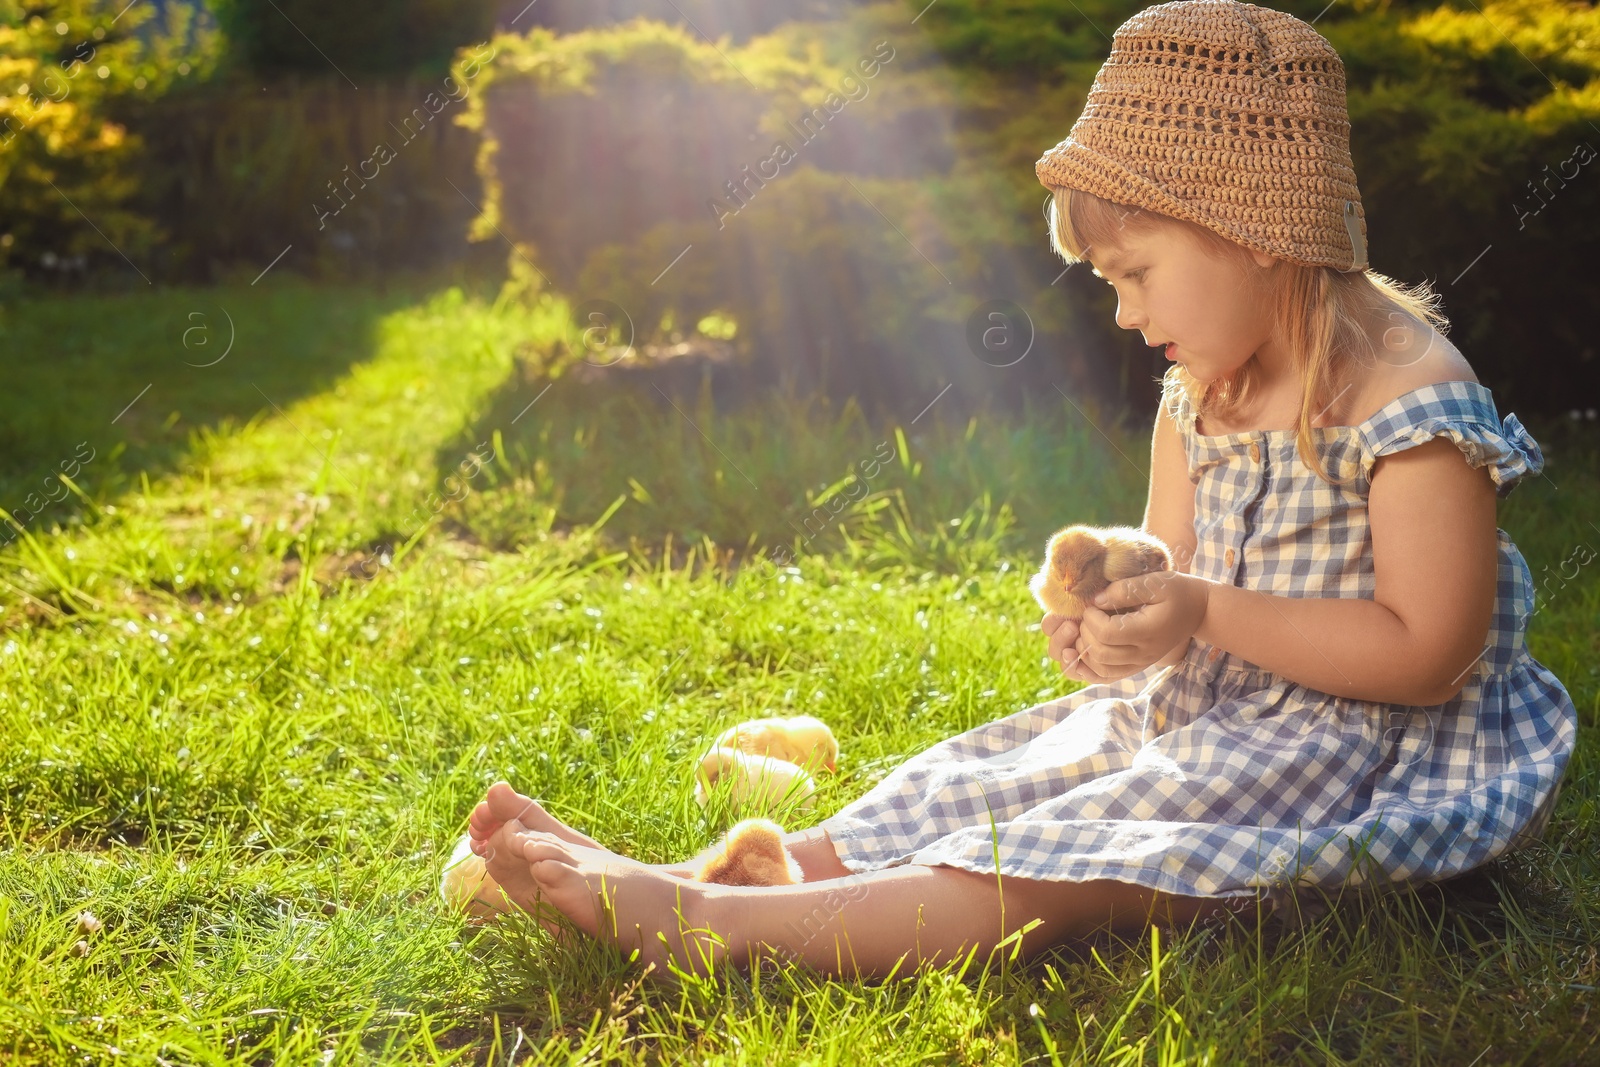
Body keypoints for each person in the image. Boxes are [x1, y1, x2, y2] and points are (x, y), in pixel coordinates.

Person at [462, 0, 1578, 980]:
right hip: (1197, 716)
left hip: (1350, 756)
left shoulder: (1404, 400)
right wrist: (1124, 635)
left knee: (1075, 855)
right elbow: (1166, 577)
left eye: (1134, 274)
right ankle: (733, 873)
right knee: (979, 777)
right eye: (1108, 283)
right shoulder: (1198, 395)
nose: (1125, 313)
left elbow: (1428, 649)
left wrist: (1204, 613)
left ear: (1254, 232)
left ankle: (717, 925)